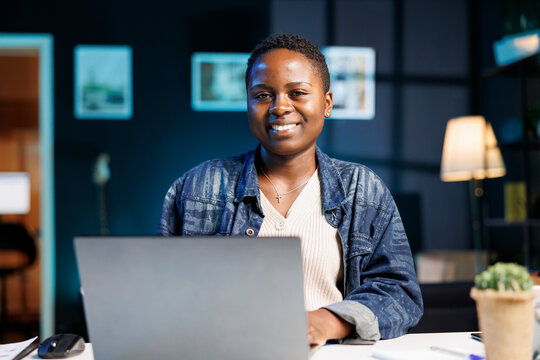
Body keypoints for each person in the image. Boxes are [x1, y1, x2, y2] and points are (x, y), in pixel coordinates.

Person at [158, 33, 423, 347]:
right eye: (263, 95)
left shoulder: (362, 188)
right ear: (248, 102)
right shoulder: (198, 186)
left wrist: (328, 321)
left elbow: (399, 293)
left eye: (297, 92)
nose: (280, 107)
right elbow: (164, 294)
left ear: (326, 103)